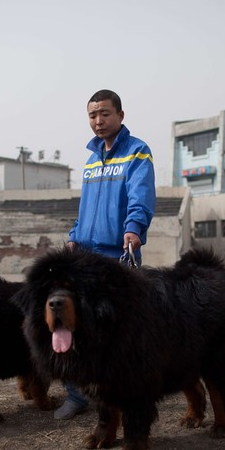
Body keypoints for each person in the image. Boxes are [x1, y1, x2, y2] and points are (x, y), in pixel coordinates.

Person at [53, 89, 156, 420]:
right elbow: (86, 208)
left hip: (118, 257)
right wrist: (74, 236)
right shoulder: (90, 161)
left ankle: (122, 393)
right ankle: (77, 394)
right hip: (85, 257)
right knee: (73, 326)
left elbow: (141, 196)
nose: (98, 121)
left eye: (105, 114)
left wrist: (134, 228)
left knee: (118, 333)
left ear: (120, 116)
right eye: (92, 115)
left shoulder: (137, 152)